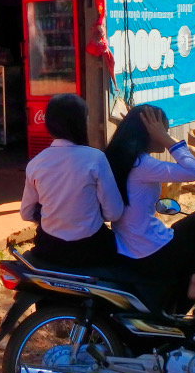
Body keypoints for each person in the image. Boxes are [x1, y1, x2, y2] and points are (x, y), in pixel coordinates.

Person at [105, 105, 195, 303]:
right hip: (151, 252)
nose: (166, 133)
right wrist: (166, 139)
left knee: (186, 228)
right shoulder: (142, 164)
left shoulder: (119, 159)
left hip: (130, 249)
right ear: (150, 132)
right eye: (163, 129)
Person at [19, 94, 124, 268]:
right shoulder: (96, 158)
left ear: (48, 123)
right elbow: (114, 213)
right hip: (90, 249)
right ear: (82, 123)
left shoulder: (36, 163)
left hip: (48, 249)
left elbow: (26, 213)